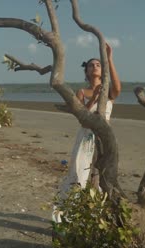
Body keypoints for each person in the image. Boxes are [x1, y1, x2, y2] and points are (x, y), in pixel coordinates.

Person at [56, 43, 121, 204]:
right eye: (91, 65)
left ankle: (98, 210)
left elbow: (118, 87)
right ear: (87, 71)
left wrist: (110, 60)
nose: (95, 67)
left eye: (98, 65)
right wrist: (93, 98)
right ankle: (70, 209)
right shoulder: (82, 92)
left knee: (103, 174)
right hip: (86, 136)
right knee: (79, 172)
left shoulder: (108, 91)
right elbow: (81, 116)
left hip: (105, 137)